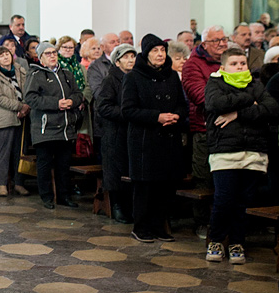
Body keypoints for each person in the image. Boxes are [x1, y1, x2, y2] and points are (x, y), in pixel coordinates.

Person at [204, 48, 279, 263]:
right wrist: (250, 100)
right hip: (225, 150)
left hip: (253, 151)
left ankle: (238, 242)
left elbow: (272, 109)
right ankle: (216, 240)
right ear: (224, 67)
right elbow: (215, 104)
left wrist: (238, 113)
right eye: (234, 64)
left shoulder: (256, 83)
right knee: (224, 199)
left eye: (242, 64)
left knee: (244, 201)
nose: (239, 67)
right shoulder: (215, 83)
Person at [121, 34, 188, 243]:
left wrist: (176, 115)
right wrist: (156, 117)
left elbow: (181, 104)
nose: (160, 55)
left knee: (165, 186)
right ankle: (141, 227)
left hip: (169, 137)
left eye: (162, 50)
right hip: (145, 140)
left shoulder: (172, 76)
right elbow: (128, 110)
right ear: (146, 54)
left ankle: (160, 226)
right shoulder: (133, 77)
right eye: (155, 51)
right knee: (145, 186)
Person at [25, 41, 83, 209]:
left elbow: (78, 94)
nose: (52, 56)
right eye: (48, 54)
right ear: (41, 58)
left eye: (54, 53)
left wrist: (72, 101)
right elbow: (31, 98)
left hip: (65, 127)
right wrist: (56, 103)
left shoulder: (66, 73)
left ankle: (64, 196)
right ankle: (47, 197)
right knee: (44, 164)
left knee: (63, 165)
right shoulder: (36, 74)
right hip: (45, 128)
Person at [182, 25, 227, 204]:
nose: (222, 44)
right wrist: (235, 100)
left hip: (232, 130)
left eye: (224, 39)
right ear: (205, 43)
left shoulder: (231, 60)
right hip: (204, 127)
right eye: (216, 40)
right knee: (204, 177)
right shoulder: (193, 64)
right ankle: (202, 221)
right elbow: (202, 97)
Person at [95, 44, 138, 224]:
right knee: (116, 170)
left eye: (133, 57)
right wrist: (126, 113)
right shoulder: (111, 80)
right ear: (117, 61)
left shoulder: (136, 78)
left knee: (131, 169)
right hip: (115, 132)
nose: (131, 60)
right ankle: (118, 205)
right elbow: (103, 106)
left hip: (133, 131)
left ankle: (132, 206)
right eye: (126, 57)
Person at [0, 46, 30, 197]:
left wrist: (26, 106)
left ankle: (19, 183)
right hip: (4, 118)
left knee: (20, 153)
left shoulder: (20, 71)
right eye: (1, 55)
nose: (5, 57)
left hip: (22, 117)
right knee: (3, 154)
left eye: (7, 54)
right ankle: (2, 185)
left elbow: (28, 89)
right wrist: (19, 106)